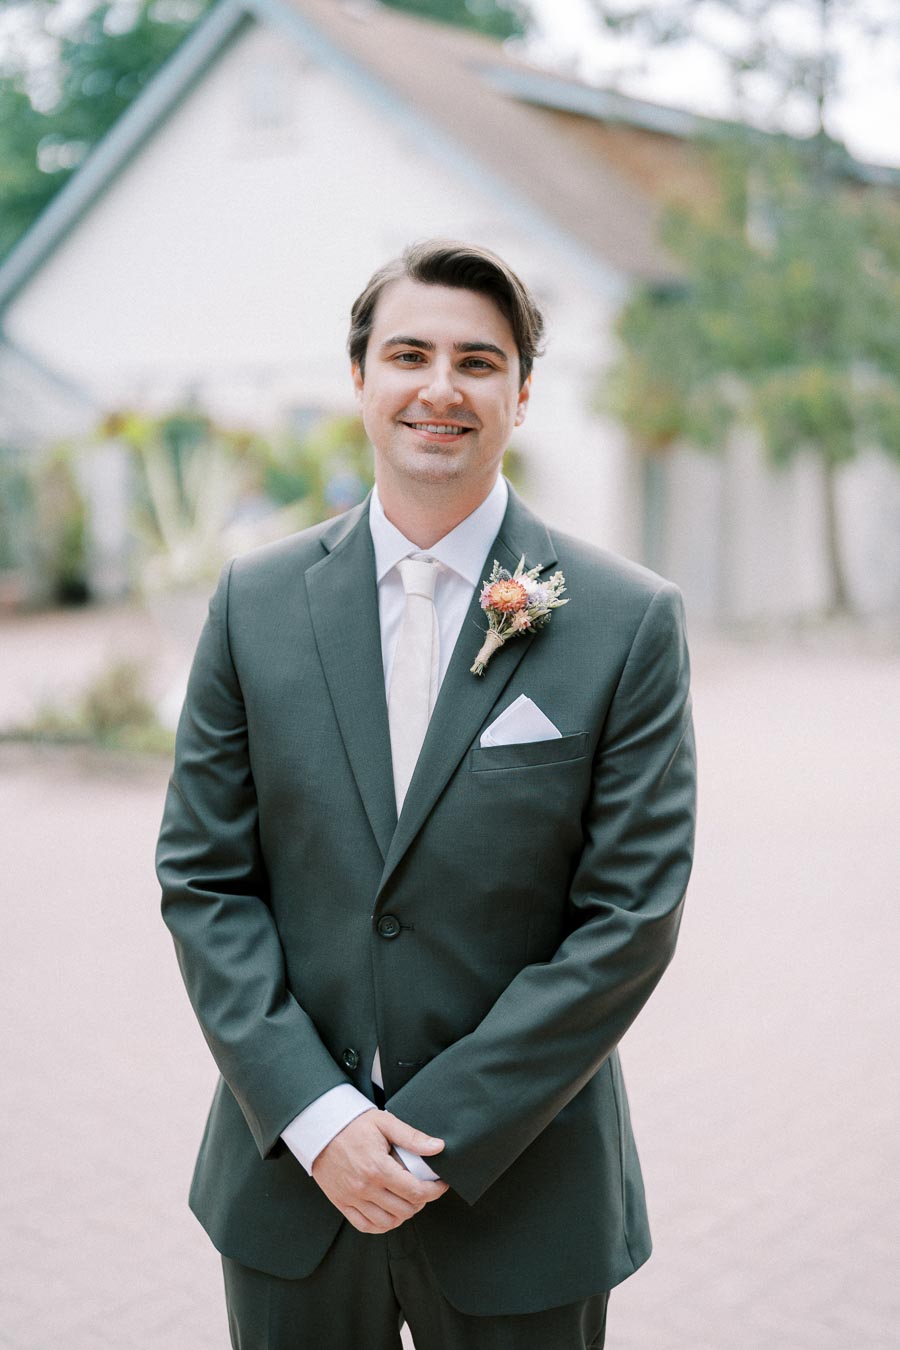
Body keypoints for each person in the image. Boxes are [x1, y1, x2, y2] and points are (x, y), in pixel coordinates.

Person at [157, 239, 696, 1349]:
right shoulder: (254, 602)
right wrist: (320, 1120)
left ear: (523, 393)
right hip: (291, 1188)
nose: (440, 388)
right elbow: (206, 881)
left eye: (478, 361)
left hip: (524, 1193)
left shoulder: (624, 618)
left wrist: (431, 1132)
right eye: (409, 354)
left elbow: (629, 919)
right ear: (360, 378)